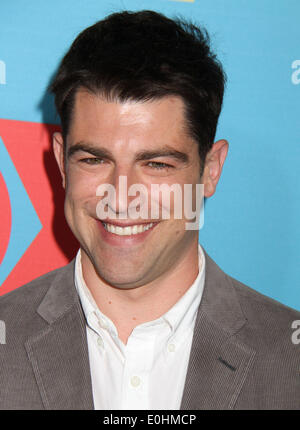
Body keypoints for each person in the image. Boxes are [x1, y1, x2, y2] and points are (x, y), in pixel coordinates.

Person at [0, 10, 299, 410]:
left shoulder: (290, 359)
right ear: (61, 163)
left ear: (210, 170)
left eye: (156, 164)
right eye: (93, 160)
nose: (122, 198)